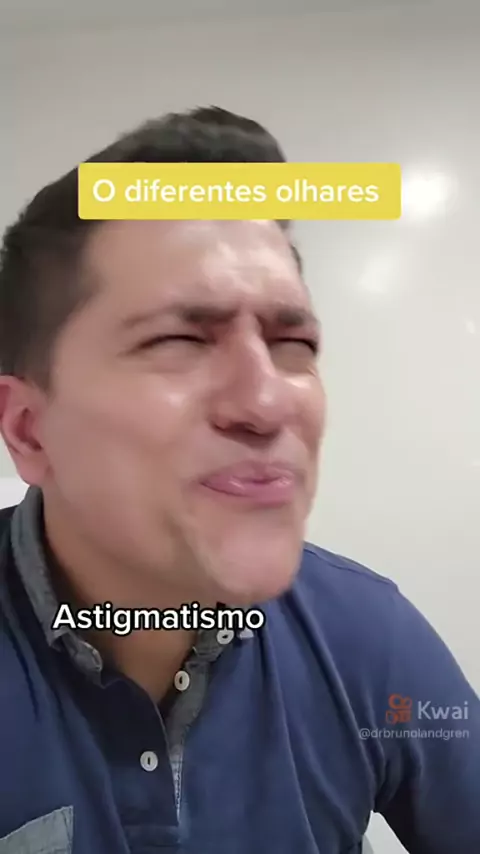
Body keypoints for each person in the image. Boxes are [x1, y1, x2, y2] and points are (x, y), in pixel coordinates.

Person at [0, 106, 478, 854]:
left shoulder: (364, 635)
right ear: (30, 430)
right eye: (178, 339)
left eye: (294, 343)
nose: (267, 402)